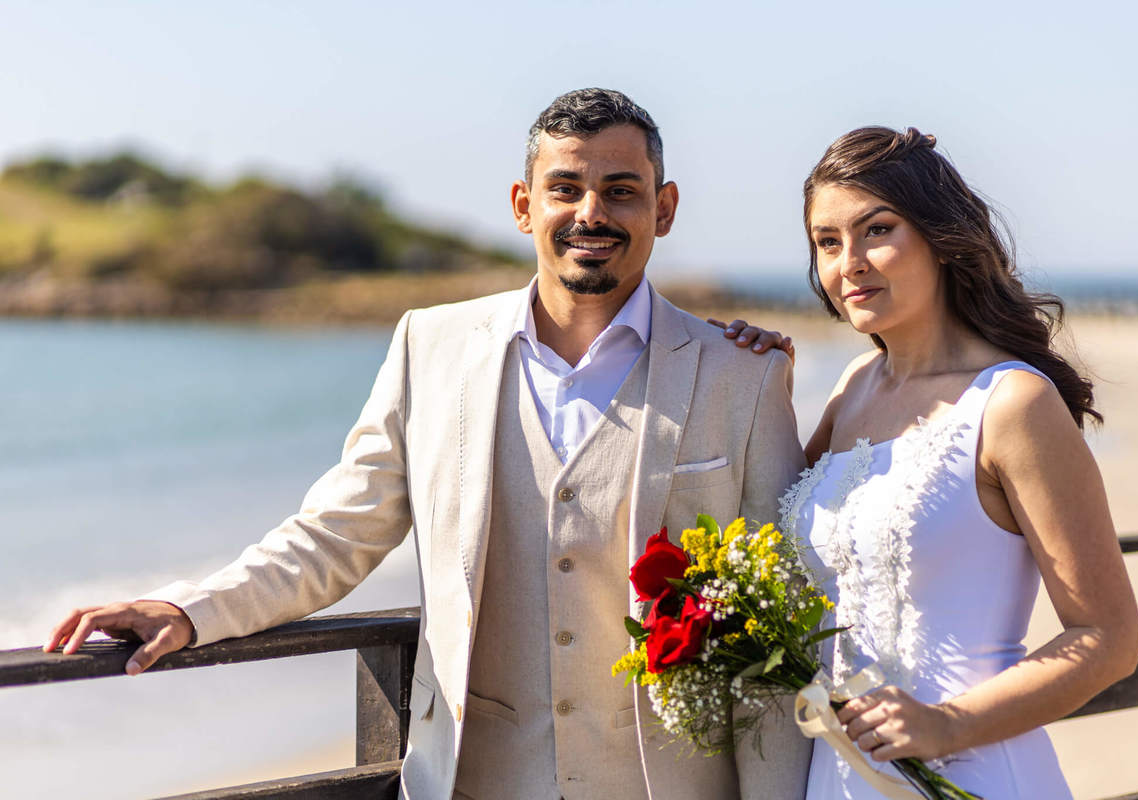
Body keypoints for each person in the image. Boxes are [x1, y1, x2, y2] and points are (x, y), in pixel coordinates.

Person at [43, 89, 809, 800]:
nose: (591, 213)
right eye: (565, 188)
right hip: (474, 778)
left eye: (620, 190)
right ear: (524, 205)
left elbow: (783, 625)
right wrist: (189, 608)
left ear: (663, 208)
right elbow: (335, 534)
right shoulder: (430, 347)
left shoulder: (742, 376)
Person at [768, 126, 1138, 798]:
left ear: (941, 237)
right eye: (827, 242)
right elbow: (767, 531)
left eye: (877, 230)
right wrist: (754, 385)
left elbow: (1109, 639)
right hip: (837, 778)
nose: (849, 263)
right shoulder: (852, 388)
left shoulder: (1013, 403)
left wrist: (946, 723)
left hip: (976, 776)